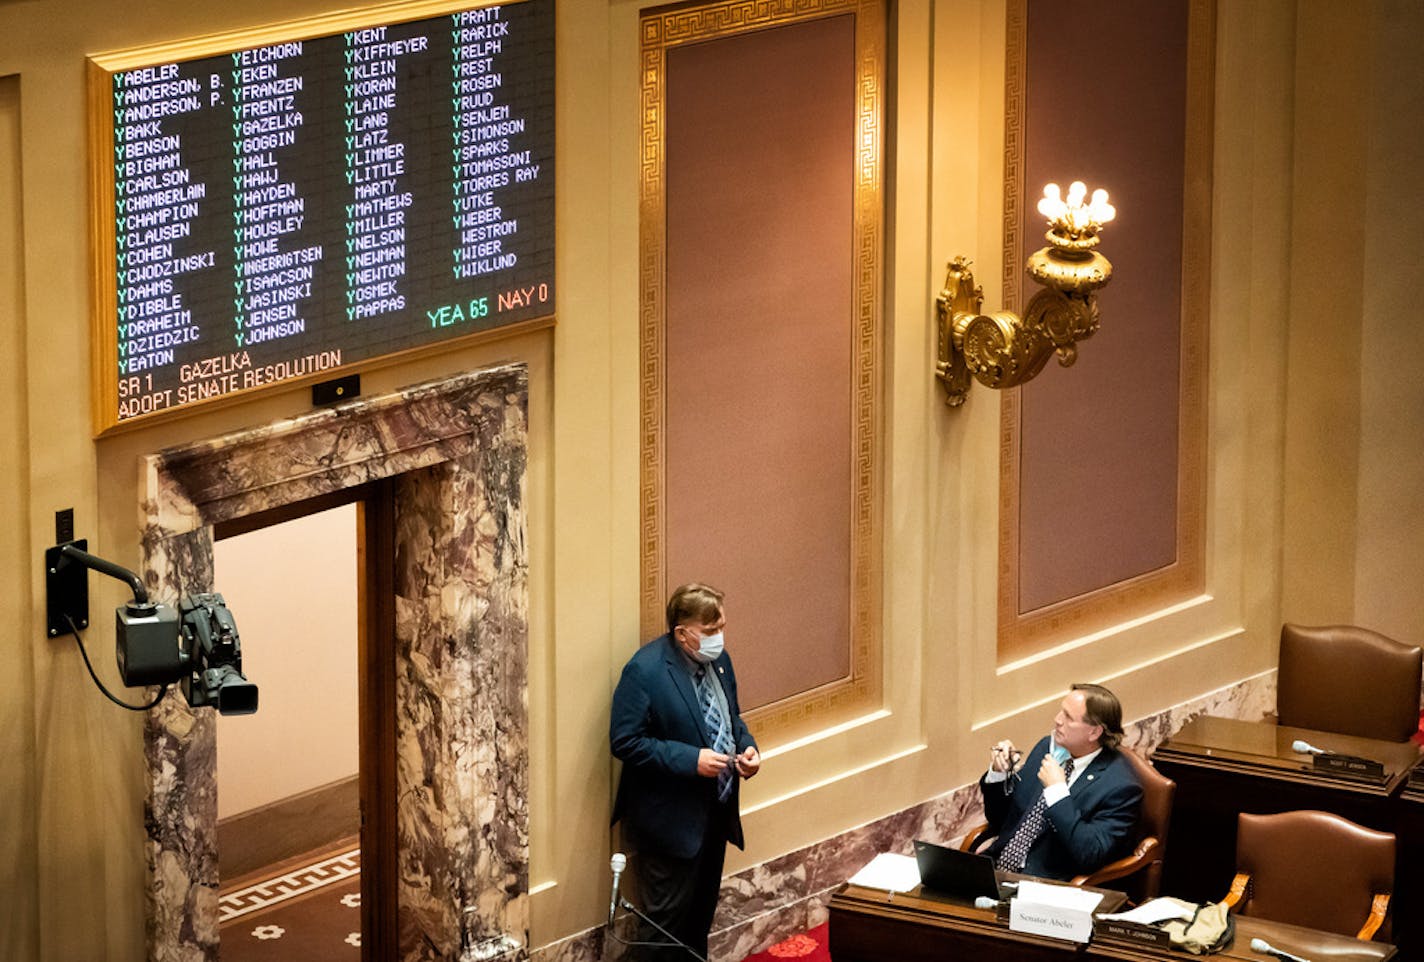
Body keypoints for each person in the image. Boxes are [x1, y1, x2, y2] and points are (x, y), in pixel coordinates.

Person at [610, 583, 761, 960]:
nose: (719, 638)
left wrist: (748, 747)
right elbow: (625, 742)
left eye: (722, 627)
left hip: (716, 813)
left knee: (698, 922)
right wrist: (690, 760)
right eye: (710, 631)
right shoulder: (644, 671)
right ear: (682, 633)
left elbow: (732, 717)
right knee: (663, 930)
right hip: (671, 822)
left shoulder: (720, 662)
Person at [976, 683, 1141, 881]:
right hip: (995, 871)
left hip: (1044, 886)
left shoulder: (1120, 787)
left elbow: (1090, 854)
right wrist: (999, 774)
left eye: (1068, 717)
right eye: (1061, 712)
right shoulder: (1047, 747)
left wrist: (1057, 792)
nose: (1057, 720)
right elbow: (1001, 820)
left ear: (1095, 732)